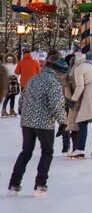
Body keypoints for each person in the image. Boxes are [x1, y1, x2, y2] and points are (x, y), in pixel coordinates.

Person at [7, 51, 67, 196]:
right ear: (58, 72)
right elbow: (56, 104)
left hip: (27, 122)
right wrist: (63, 122)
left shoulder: (34, 79)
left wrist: (24, 113)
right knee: (47, 152)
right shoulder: (53, 83)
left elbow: (22, 99)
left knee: (26, 151)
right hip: (44, 123)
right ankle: (40, 185)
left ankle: (14, 184)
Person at [58, 54, 80, 156]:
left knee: (67, 124)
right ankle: (71, 147)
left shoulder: (64, 72)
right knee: (72, 124)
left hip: (66, 100)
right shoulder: (73, 72)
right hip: (70, 101)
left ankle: (66, 147)